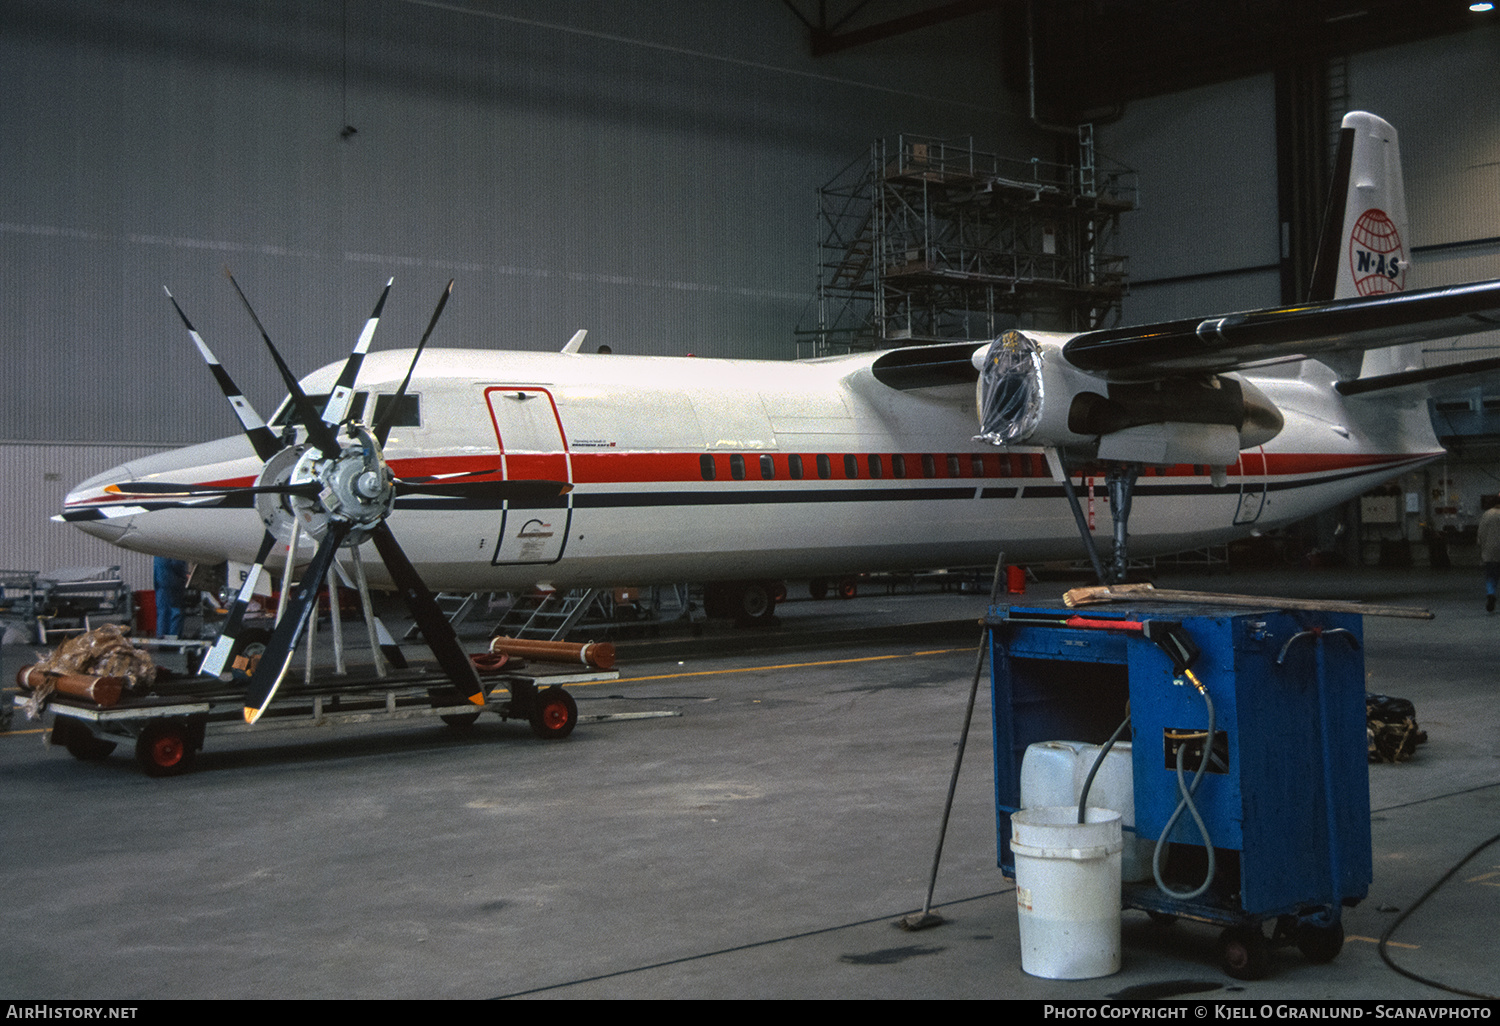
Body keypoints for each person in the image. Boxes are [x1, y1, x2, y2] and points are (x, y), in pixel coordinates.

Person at [153, 557, 189, 638]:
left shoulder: (158, 551)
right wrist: (185, 575)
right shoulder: (174, 549)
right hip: (173, 582)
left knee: (162, 611)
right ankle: (173, 637)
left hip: (160, 582)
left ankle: (161, 637)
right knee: (176, 610)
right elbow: (177, 564)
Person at [1478, 497, 1500, 613]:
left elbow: (1480, 533)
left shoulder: (1486, 514)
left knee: (1491, 576)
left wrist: (1482, 547)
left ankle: (1491, 593)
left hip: (1490, 552)